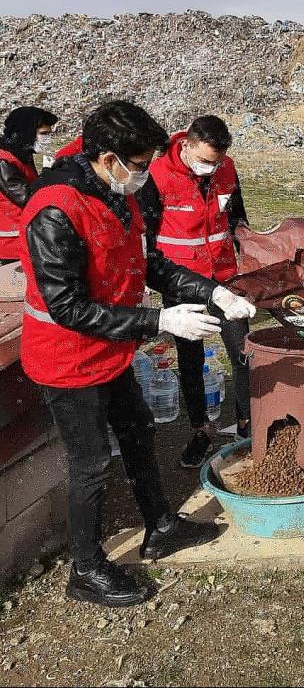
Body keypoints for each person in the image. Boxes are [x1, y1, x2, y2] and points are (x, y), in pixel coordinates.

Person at [18, 100, 256, 608]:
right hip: (68, 359)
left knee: (139, 432)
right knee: (91, 463)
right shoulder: (54, 210)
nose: (146, 173)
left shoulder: (116, 194)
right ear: (108, 158)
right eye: (141, 163)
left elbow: (150, 264)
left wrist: (213, 291)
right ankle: (86, 569)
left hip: (111, 351)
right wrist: (159, 321)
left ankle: (161, 526)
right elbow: (67, 307)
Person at [139, 115, 251, 467]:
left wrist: (250, 240)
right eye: (204, 160)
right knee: (190, 359)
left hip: (225, 276)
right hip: (182, 280)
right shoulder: (157, 174)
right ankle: (200, 430)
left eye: (216, 162)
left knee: (243, 352)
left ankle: (246, 425)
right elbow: (147, 234)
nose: (210, 168)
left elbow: (236, 214)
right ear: (185, 145)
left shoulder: (226, 169)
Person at [0, 107, 57, 264]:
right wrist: (47, 174)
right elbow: (26, 197)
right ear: (26, 132)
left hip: (26, 232)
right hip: (12, 240)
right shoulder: (4, 161)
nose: (48, 139)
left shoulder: (21, 153)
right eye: (43, 134)